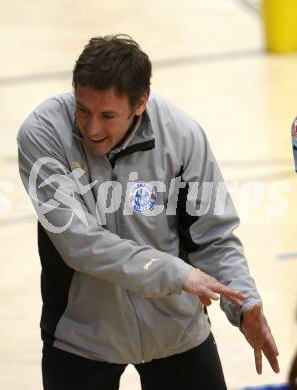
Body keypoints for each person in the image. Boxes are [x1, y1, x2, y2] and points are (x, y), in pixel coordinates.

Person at [17, 34, 279, 390]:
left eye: (108, 115)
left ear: (140, 103)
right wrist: (176, 273)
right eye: (83, 109)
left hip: (177, 331)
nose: (92, 128)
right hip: (82, 337)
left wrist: (243, 303)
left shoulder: (182, 137)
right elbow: (79, 242)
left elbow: (213, 236)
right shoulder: (44, 134)